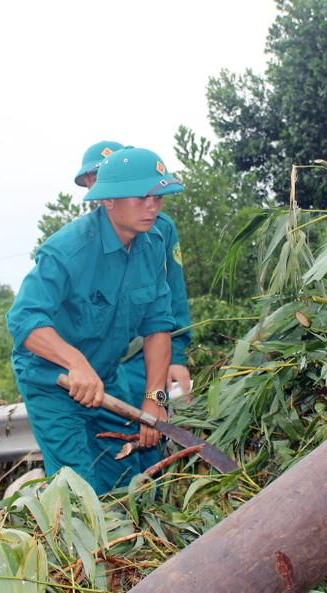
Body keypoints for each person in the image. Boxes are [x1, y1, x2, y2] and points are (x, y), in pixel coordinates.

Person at [7, 146, 184, 494]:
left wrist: (155, 396)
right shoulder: (67, 250)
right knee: (80, 492)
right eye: (141, 196)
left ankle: (129, 547)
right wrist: (75, 362)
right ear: (108, 200)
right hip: (52, 383)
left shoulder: (152, 244)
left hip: (107, 378)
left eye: (158, 197)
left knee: (122, 479)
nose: (153, 206)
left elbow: (158, 325)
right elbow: (24, 319)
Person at [75, 141, 194, 472]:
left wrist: (178, 356)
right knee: (108, 447)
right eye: (94, 177)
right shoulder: (83, 240)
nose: (101, 183)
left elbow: (170, 297)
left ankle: (153, 502)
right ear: (87, 184)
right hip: (101, 364)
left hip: (146, 357)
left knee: (151, 432)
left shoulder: (159, 227)